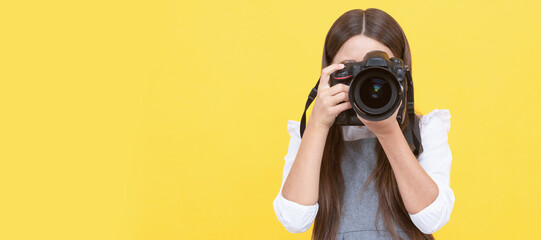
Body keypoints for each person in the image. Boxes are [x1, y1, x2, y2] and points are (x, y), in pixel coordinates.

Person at [272, 8, 455, 240]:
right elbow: (294, 220)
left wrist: (389, 131)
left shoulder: (425, 129)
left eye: (377, 69)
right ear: (328, 72)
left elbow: (433, 218)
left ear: (400, 73)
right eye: (350, 67)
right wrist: (318, 124)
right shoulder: (313, 134)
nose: (365, 81)